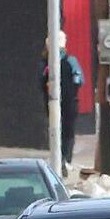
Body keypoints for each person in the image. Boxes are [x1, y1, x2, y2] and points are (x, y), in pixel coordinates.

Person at [39, 32, 82, 169]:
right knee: (65, 131)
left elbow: (41, 82)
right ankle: (63, 158)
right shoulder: (67, 62)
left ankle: (63, 158)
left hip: (60, 102)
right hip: (66, 102)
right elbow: (79, 80)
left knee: (61, 130)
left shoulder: (47, 64)